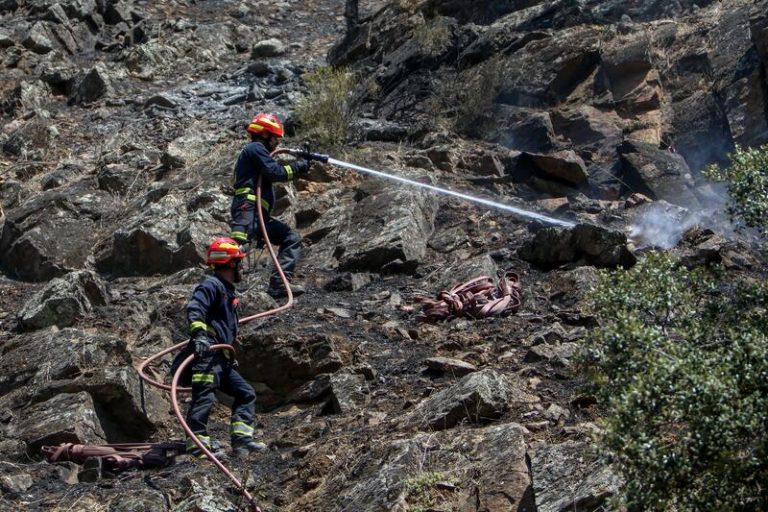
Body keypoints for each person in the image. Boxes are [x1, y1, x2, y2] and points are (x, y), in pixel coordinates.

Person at [184, 237, 265, 459]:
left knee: (245, 393)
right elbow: (195, 308)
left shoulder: (227, 292)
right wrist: (200, 335)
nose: (242, 268)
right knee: (204, 398)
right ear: (230, 263)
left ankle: (242, 442)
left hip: (222, 358)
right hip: (208, 355)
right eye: (239, 262)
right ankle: (198, 447)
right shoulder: (212, 285)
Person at [230, 112, 311, 298]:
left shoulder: (258, 151)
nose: (278, 143)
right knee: (240, 244)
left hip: (260, 215)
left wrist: (302, 164)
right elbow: (275, 172)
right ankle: (222, 285)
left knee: (291, 237)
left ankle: (279, 285)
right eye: (276, 138)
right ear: (265, 134)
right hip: (247, 208)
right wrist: (300, 167)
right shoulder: (255, 148)